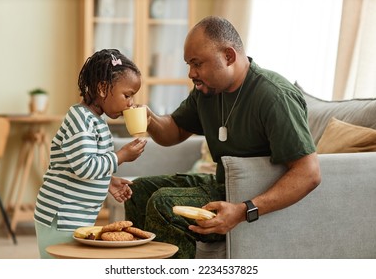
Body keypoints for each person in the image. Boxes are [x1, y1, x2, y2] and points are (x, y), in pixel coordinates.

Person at [124, 16, 321, 258]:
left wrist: (243, 210)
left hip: (249, 197)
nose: (191, 73)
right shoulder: (207, 91)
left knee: (165, 204)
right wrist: (148, 117)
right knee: (138, 191)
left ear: (228, 56)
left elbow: (309, 173)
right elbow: (173, 131)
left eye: (197, 64)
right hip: (222, 185)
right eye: (188, 64)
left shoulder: (274, 96)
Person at [33, 49, 147, 258]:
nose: (131, 102)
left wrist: (108, 181)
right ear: (103, 88)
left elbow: (82, 165)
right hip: (61, 215)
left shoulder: (97, 120)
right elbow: (85, 166)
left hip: (76, 215)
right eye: (127, 95)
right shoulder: (80, 120)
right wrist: (120, 156)